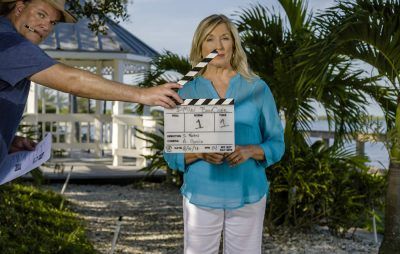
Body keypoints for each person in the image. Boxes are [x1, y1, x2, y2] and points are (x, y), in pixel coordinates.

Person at [0, 0, 183, 167]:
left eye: (53, 22)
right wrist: (143, 94)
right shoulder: (9, 42)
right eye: (41, 15)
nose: (46, 26)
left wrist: (8, 141)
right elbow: (73, 81)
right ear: (20, 8)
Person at [164, 14, 285, 254]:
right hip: (201, 194)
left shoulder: (257, 88)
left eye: (225, 38)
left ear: (233, 44)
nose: (218, 46)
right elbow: (171, 154)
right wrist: (199, 152)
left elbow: (277, 143)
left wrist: (251, 150)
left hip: (248, 192)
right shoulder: (185, 91)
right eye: (210, 39)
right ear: (201, 46)